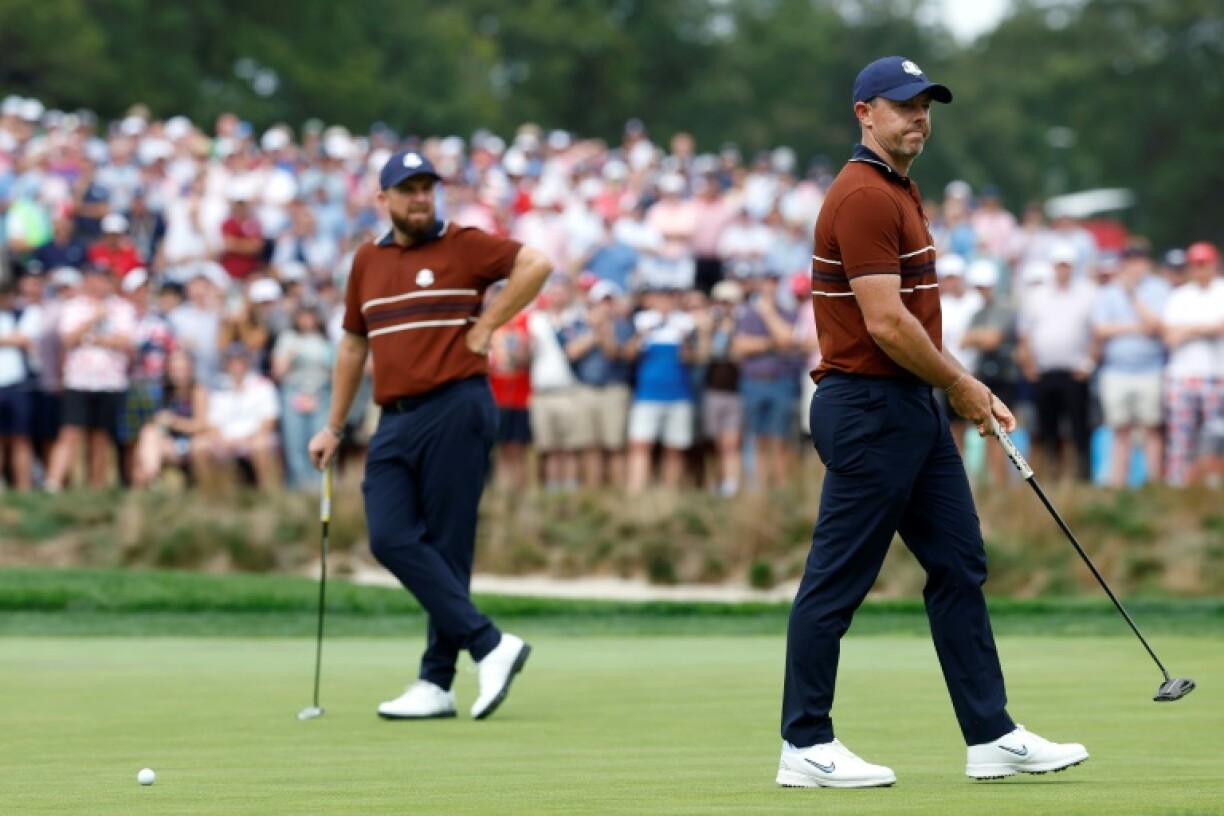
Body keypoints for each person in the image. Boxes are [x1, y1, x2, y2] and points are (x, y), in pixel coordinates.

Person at [777, 56, 1087, 790]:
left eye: (926, 105)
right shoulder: (860, 196)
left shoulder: (899, 190)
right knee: (837, 578)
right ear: (865, 112)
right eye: (902, 105)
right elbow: (884, 324)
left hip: (909, 405)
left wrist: (956, 390)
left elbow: (908, 327)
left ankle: (991, 735)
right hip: (867, 406)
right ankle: (805, 743)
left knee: (958, 563)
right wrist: (964, 384)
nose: (918, 117)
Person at [307, 150, 551, 722]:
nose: (420, 198)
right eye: (407, 189)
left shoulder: (463, 243)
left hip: (456, 406)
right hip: (392, 417)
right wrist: (334, 425)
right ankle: (489, 644)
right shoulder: (366, 260)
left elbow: (537, 264)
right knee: (389, 537)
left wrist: (488, 325)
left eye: (426, 188)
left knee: (447, 544)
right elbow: (352, 346)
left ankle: (436, 682)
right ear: (383, 199)